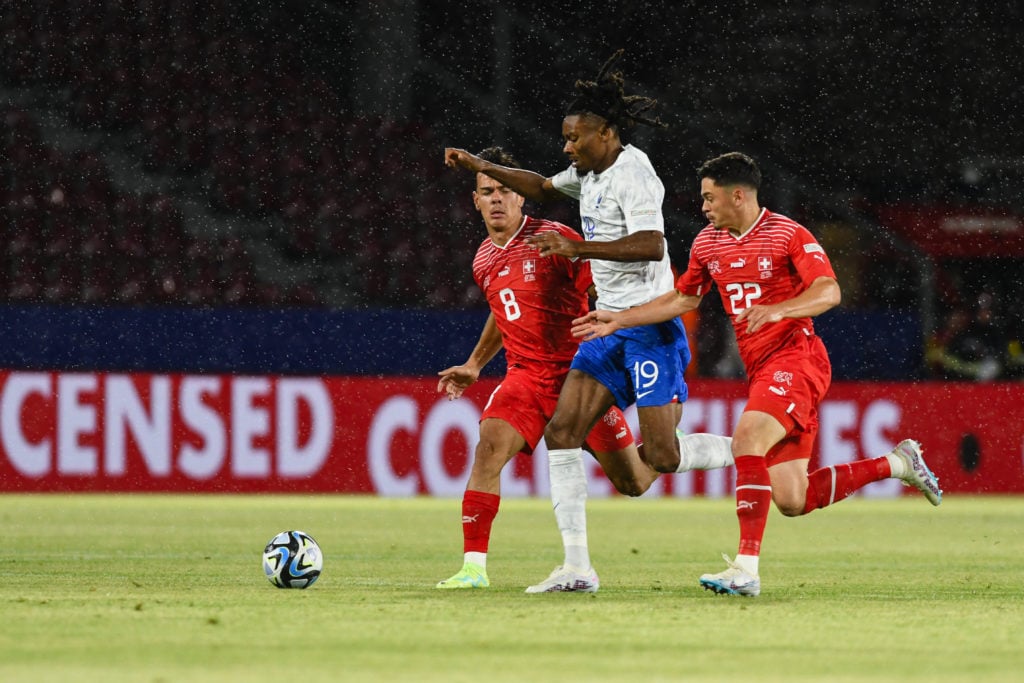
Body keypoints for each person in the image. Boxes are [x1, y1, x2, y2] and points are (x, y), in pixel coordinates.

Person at [572, 151, 942, 597]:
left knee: (747, 440)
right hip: (763, 369)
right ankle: (899, 462)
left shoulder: (787, 234)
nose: (704, 206)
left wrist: (779, 309)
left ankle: (745, 569)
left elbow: (829, 290)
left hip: (797, 359)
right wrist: (619, 317)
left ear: (738, 195)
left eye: (710, 198)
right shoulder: (708, 243)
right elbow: (684, 300)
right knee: (793, 498)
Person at [444, 51, 734, 593]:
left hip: (646, 326)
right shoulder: (586, 177)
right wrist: (481, 164)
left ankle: (746, 448)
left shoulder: (634, 174)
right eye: (566, 139)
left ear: (606, 132)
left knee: (654, 464)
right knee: (563, 431)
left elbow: (652, 246)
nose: (567, 147)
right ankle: (576, 567)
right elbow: (542, 186)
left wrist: (580, 252)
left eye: (576, 138)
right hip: (601, 334)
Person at [435, 146, 666, 591]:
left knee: (636, 479)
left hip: (579, 377)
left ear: (522, 197)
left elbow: (602, 287)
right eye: (487, 192)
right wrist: (475, 363)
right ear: (475, 201)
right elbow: (503, 312)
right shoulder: (483, 259)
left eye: (505, 190)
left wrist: (622, 334)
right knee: (488, 451)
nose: (497, 199)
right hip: (524, 377)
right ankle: (473, 568)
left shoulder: (553, 238)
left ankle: (672, 448)